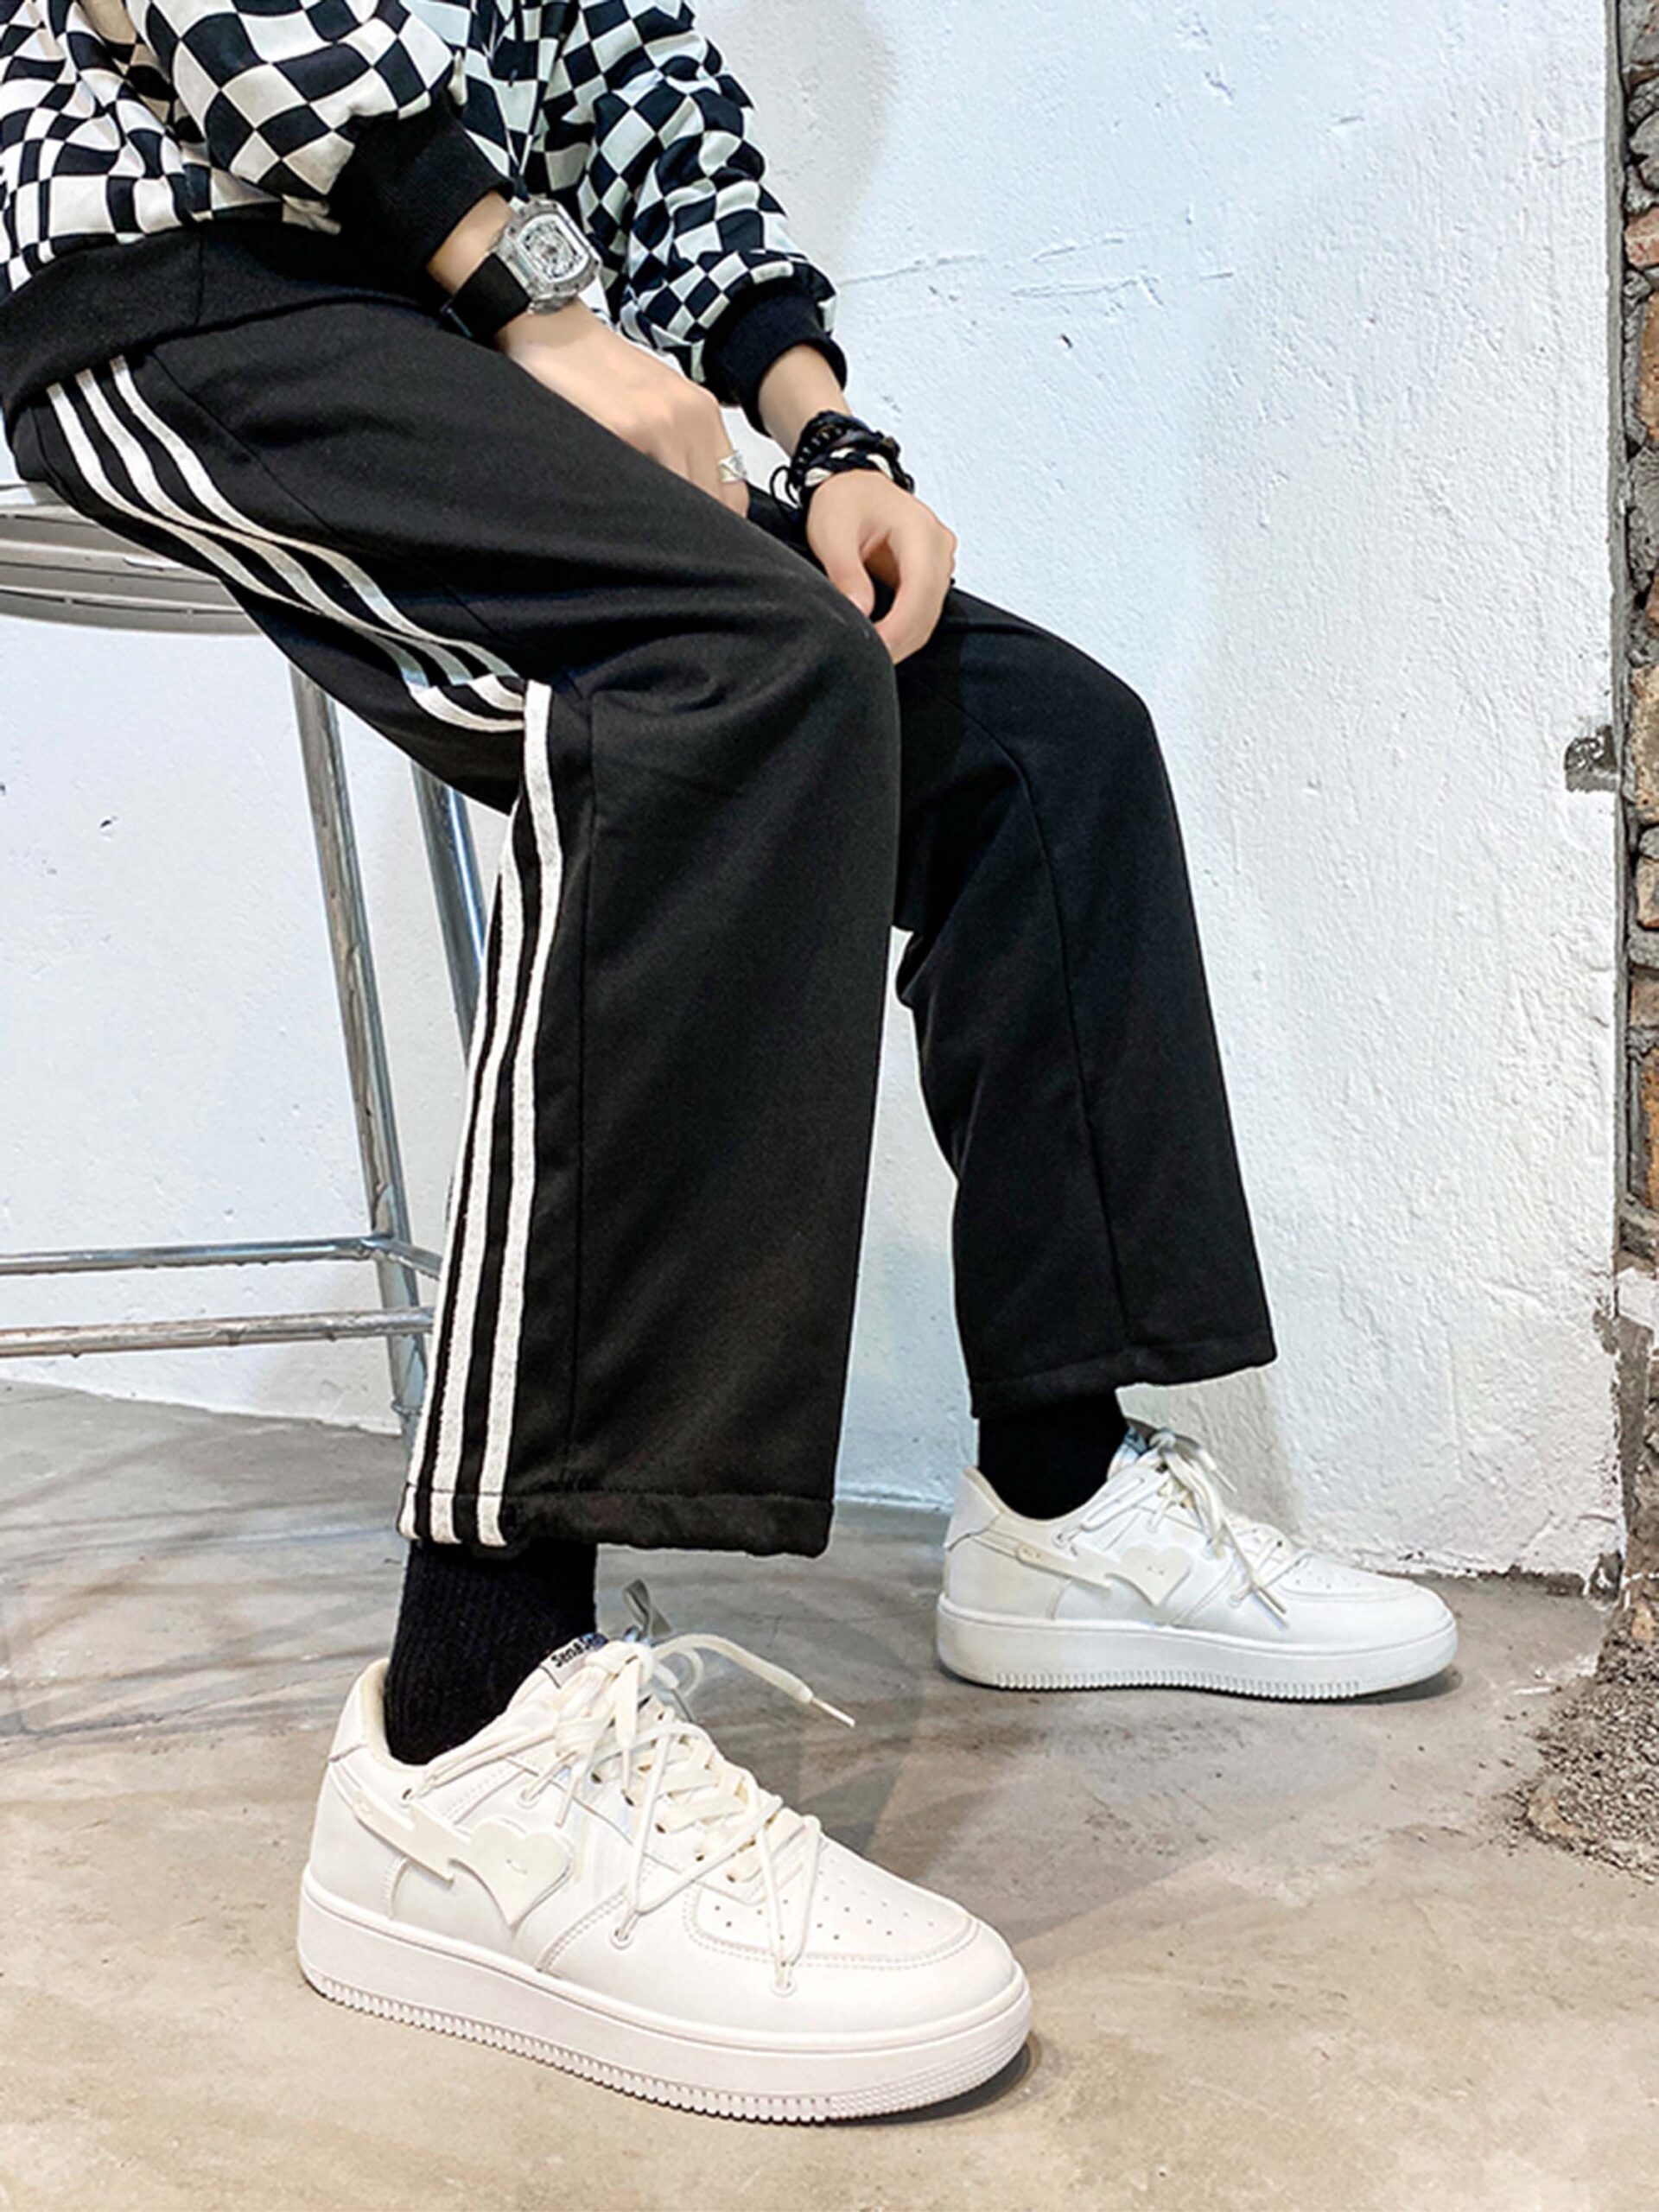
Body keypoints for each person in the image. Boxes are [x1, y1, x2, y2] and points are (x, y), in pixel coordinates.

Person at [0, 0, 1459, 2120]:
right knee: (728, 679)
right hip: (176, 292)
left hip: (451, 323)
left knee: (1039, 744)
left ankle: (1059, 1496)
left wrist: (832, 438)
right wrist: (523, 291)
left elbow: (647, 99)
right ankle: (470, 1729)